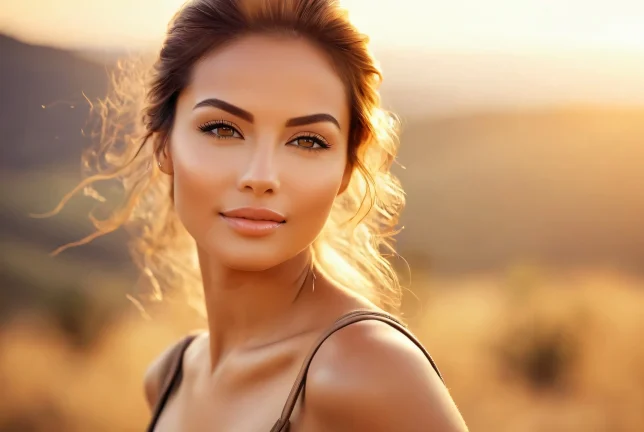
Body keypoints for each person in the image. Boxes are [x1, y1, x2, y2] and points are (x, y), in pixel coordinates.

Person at [52, 0, 468, 430]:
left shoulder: (370, 374)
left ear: (346, 168)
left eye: (307, 141)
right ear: (163, 144)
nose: (261, 176)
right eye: (222, 129)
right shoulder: (168, 378)